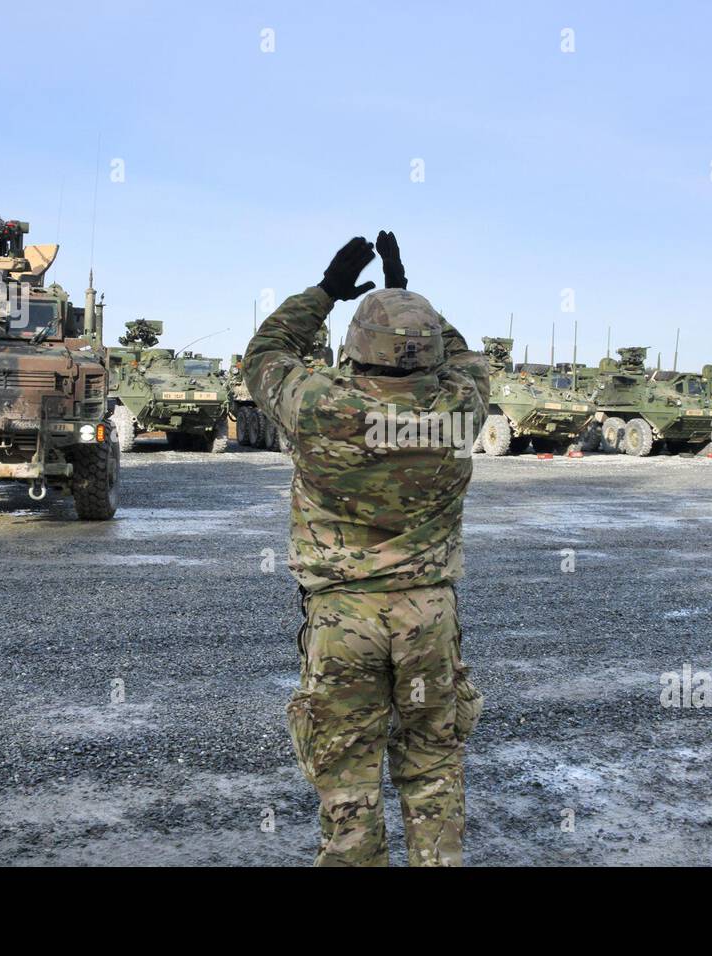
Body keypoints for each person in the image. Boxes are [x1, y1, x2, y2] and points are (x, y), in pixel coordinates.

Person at [243, 231, 488, 866]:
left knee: (347, 783)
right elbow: (462, 354)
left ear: (356, 347)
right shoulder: (459, 404)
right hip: (428, 616)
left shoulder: (319, 405)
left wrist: (325, 291)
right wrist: (403, 292)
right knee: (433, 765)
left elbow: (266, 351)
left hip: (343, 615)